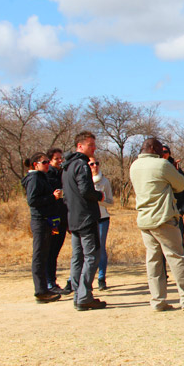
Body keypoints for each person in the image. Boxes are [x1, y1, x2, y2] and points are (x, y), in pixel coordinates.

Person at [129, 137, 184, 312]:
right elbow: (180, 186)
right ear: (153, 148)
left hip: (144, 219)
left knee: (154, 261)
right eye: (159, 149)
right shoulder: (162, 165)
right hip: (163, 218)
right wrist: (172, 169)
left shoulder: (134, 166)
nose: (161, 152)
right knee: (176, 258)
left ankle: (158, 300)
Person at [62, 131, 107, 311]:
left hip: (73, 217)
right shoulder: (81, 165)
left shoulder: (67, 166)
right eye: (91, 145)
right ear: (80, 146)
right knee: (92, 256)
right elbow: (85, 191)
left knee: (77, 258)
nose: (94, 148)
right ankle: (85, 296)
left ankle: (77, 295)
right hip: (86, 217)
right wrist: (99, 195)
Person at [22, 152, 64, 303]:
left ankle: (45, 289)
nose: (48, 164)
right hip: (40, 221)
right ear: (35, 164)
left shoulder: (41, 177)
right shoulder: (34, 178)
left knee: (45, 254)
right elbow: (32, 201)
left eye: (48, 162)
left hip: (48, 220)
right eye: (44, 162)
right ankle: (40, 291)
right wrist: (52, 197)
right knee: (39, 256)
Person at [45, 147, 71, 295]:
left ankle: (52, 281)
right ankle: (49, 282)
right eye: (57, 159)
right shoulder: (47, 176)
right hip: (51, 219)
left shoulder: (63, 174)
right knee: (50, 251)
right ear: (49, 161)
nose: (60, 161)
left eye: (61, 158)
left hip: (62, 217)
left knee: (55, 251)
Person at [89, 156, 114, 291]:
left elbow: (111, 201)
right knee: (87, 249)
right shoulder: (83, 180)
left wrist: (99, 200)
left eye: (97, 163)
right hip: (88, 219)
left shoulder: (104, 181)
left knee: (101, 248)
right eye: (91, 164)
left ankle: (101, 278)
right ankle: (86, 279)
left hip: (102, 218)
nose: (95, 166)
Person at [161, 144, 184, 243]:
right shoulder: (155, 168)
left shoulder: (175, 168)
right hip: (159, 214)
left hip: (175, 214)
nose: (163, 154)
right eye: (161, 152)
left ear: (169, 154)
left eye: (165, 152)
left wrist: (181, 211)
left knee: (178, 245)